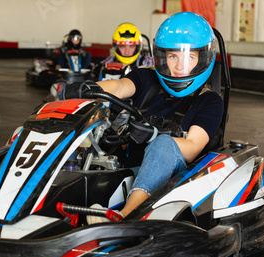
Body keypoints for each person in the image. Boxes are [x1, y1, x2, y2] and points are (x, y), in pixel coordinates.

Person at [60, 12, 223, 221]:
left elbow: (192, 148)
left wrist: (154, 135)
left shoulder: (210, 101)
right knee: (84, 123)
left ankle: (124, 217)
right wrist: (85, 89)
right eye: (173, 56)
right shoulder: (145, 77)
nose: (180, 66)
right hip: (127, 166)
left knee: (163, 144)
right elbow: (118, 87)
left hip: (174, 178)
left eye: (189, 57)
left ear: (203, 59)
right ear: (162, 56)